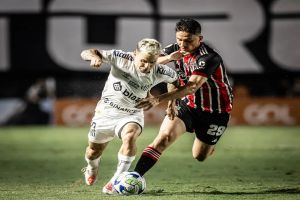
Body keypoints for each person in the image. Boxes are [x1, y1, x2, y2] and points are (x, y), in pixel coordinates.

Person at [133, 18, 234, 177]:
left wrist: (158, 99)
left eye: (188, 40)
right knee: (163, 139)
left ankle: (208, 145)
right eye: (179, 39)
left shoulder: (209, 58)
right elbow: (149, 61)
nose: (183, 44)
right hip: (188, 104)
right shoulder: (175, 49)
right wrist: (169, 59)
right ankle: (133, 177)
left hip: (216, 111)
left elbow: (191, 87)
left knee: (199, 156)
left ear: (199, 39)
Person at [80, 38, 178, 194]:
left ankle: (116, 180)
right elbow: (88, 52)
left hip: (132, 113)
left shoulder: (160, 71)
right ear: (135, 54)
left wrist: (171, 104)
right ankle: (92, 167)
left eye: (152, 62)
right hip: (106, 112)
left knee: (130, 136)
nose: (147, 67)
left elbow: (175, 81)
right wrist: (95, 57)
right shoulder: (121, 58)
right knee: (93, 151)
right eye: (144, 61)